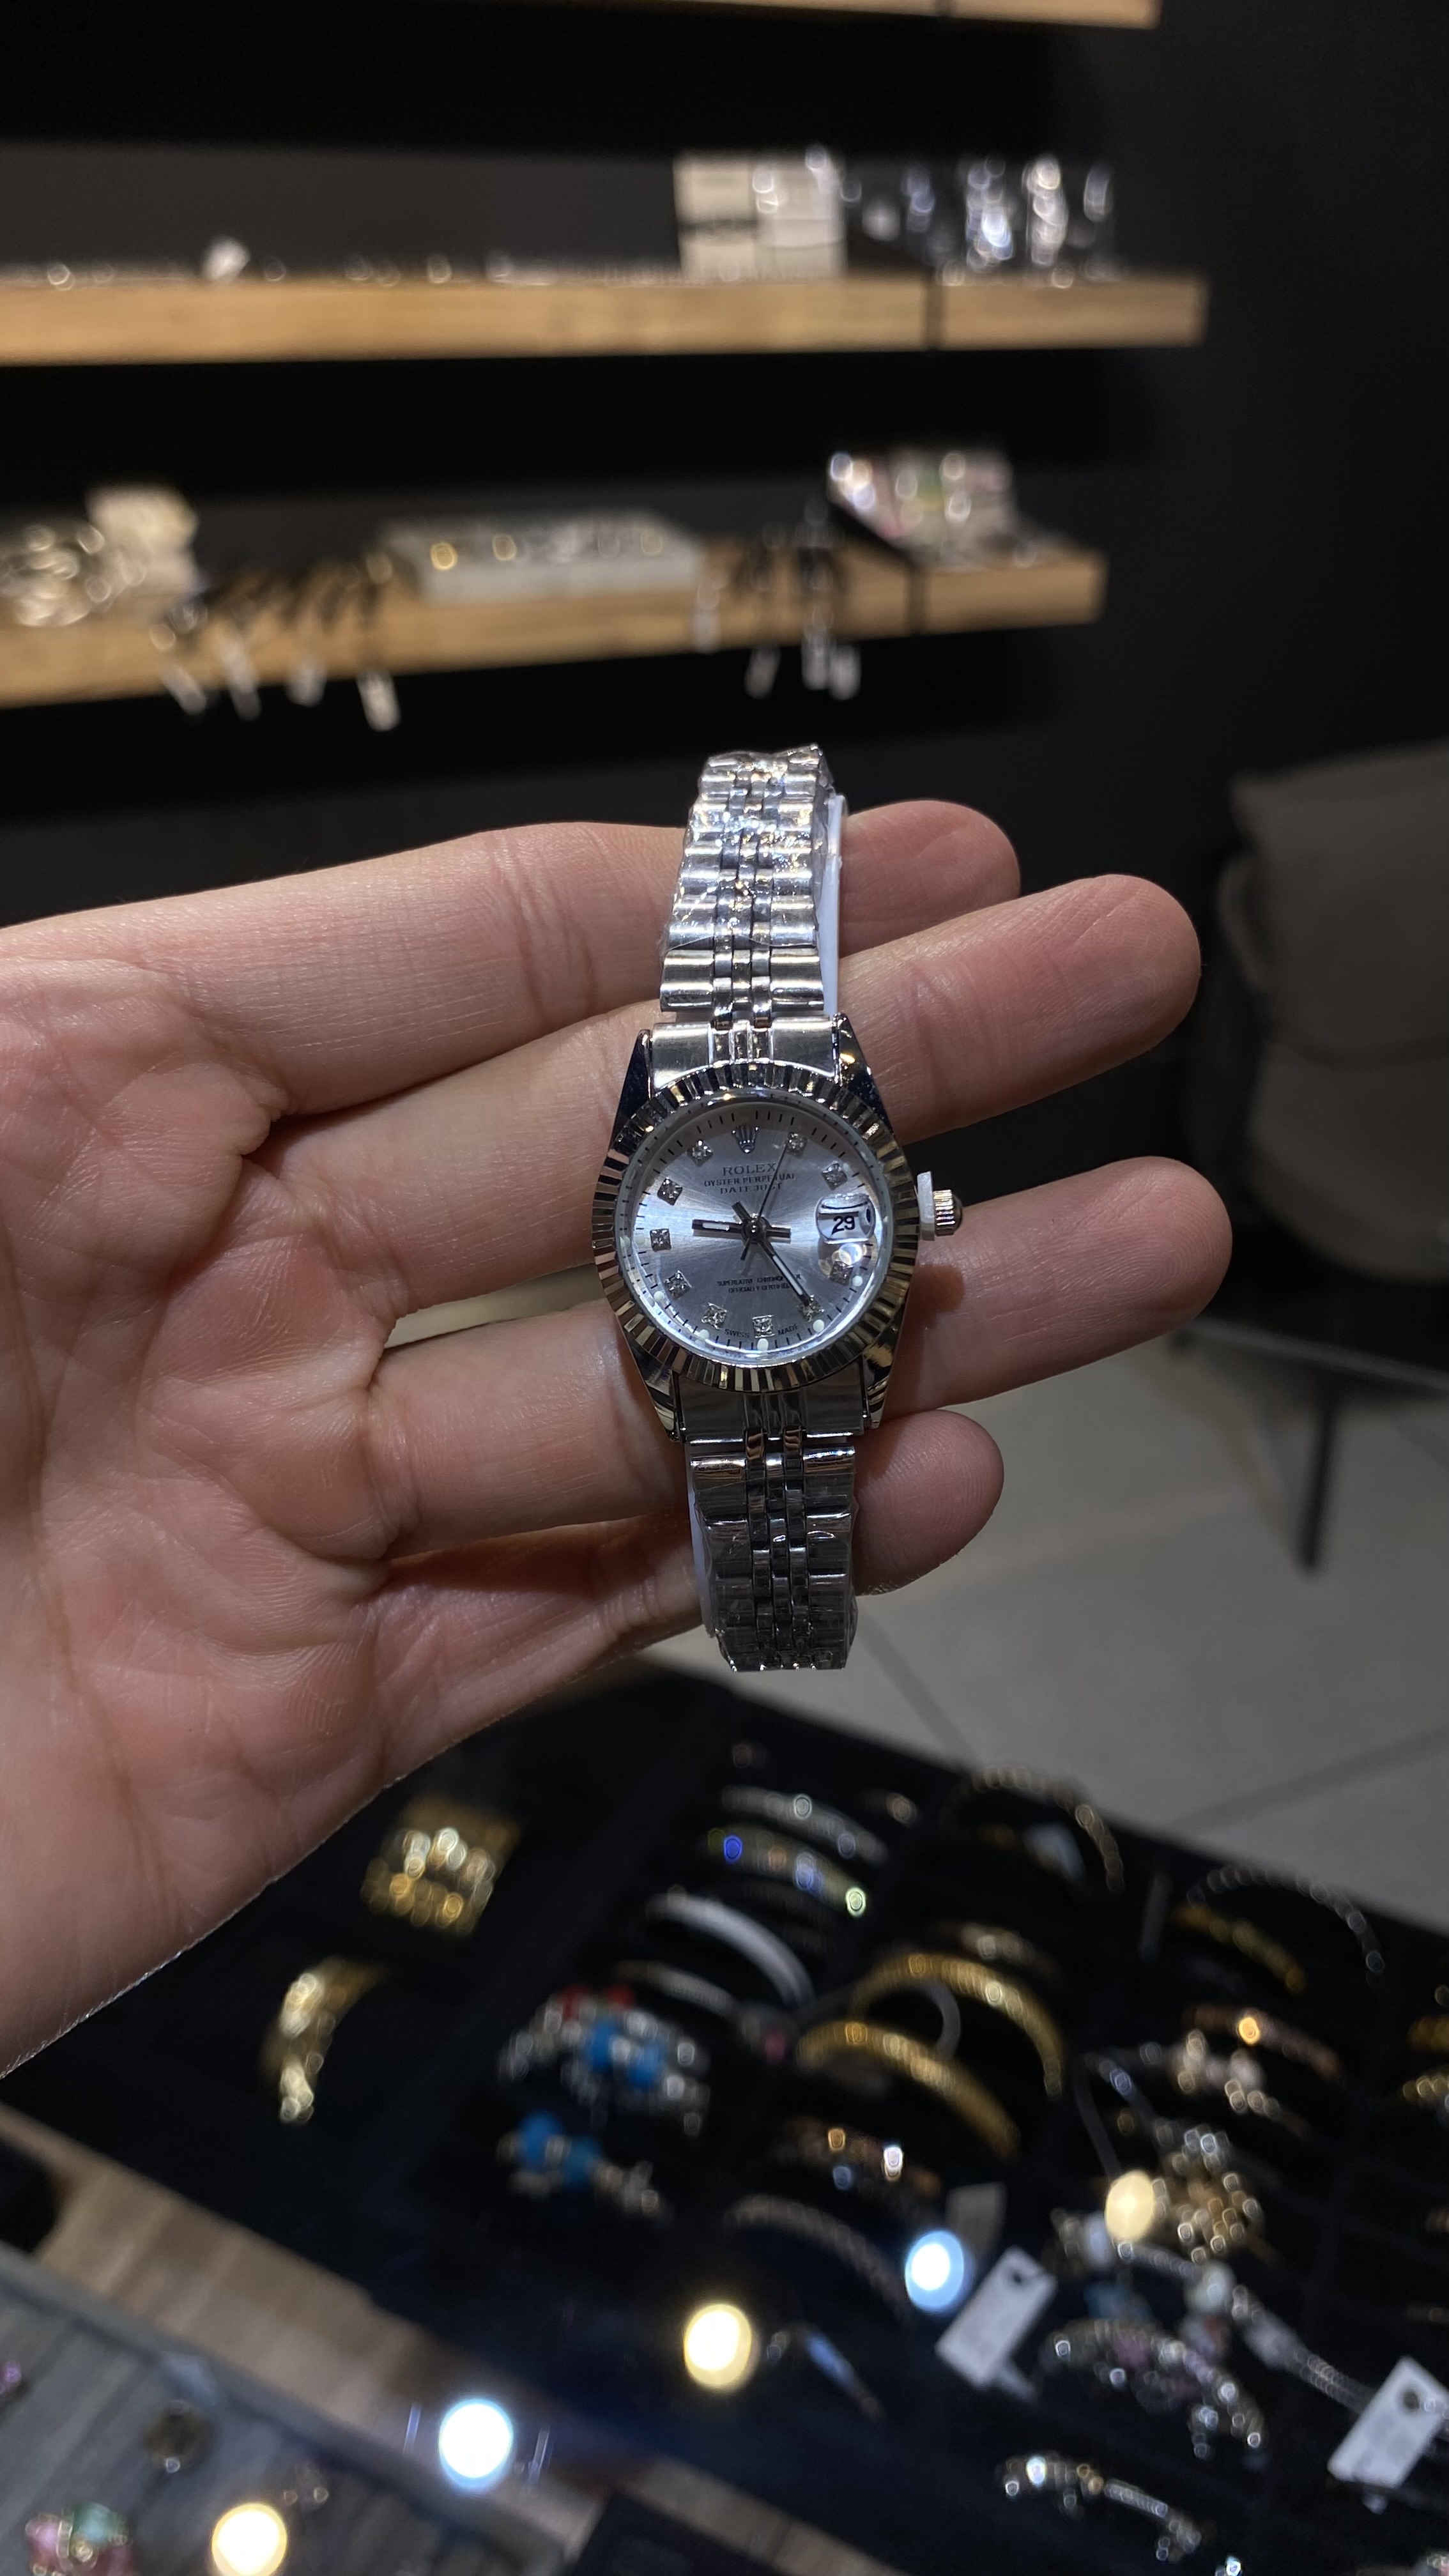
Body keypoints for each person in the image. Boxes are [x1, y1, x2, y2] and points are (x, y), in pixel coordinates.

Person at [0, 799, 1228, 2069]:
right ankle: (775, 1605)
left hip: (790, 1347)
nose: (750, 1229)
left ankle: (776, 1604)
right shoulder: (665, 1194)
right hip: (724, 1346)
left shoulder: (780, 1189)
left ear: (906, 1216)